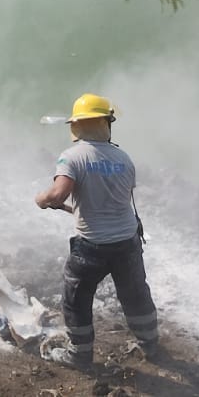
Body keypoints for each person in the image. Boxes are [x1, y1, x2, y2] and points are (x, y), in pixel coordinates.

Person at [34, 94, 158, 370]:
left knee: (76, 299)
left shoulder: (72, 157)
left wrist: (42, 199)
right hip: (127, 241)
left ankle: (79, 355)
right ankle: (150, 343)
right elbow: (115, 201)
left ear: (76, 125)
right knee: (136, 294)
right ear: (106, 123)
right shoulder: (123, 158)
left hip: (92, 245)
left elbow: (58, 194)